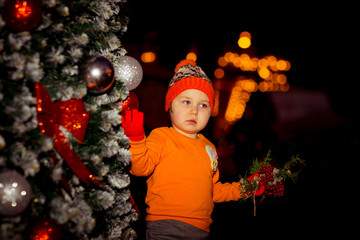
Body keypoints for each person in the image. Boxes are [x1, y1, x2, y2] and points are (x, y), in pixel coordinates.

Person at [122, 60, 264, 240]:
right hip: (164, 226)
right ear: (170, 106)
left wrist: (246, 188)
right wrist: (136, 139)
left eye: (203, 105)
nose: (195, 111)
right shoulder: (162, 137)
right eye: (186, 102)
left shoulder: (209, 147)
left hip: (201, 230)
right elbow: (141, 168)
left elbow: (214, 191)